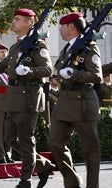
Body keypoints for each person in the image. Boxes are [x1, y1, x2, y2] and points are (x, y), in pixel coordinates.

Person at [0, 8, 54, 188]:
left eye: (17, 19)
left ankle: (25, 181)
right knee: (9, 139)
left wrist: (29, 71)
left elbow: (48, 70)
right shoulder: (17, 46)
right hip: (13, 99)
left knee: (25, 140)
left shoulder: (38, 45)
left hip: (28, 99)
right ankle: (43, 165)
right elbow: (3, 65)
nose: (13, 22)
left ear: (28, 23)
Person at [49, 12, 102, 188]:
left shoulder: (89, 47)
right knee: (55, 143)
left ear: (71, 27)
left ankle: (92, 186)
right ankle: (72, 181)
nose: (60, 30)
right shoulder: (68, 49)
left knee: (90, 151)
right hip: (64, 103)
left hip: (83, 103)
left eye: (62, 27)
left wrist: (74, 74)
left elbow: (96, 76)